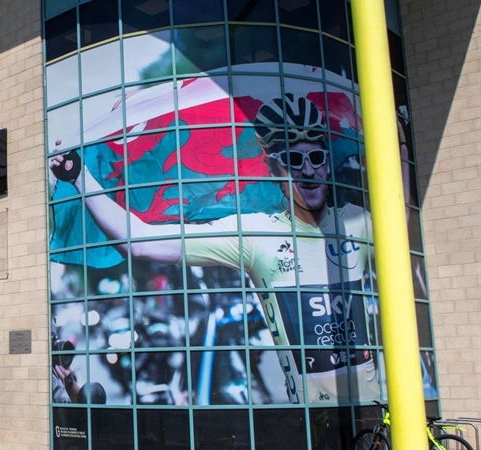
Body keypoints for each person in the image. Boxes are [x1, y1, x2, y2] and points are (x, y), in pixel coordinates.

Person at [50, 93, 404, 404]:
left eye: (317, 158)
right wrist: (80, 176)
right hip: (310, 414)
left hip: (370, 409)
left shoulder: (356, 223)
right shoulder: (256, 232)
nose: (308, 171)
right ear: (274, 170)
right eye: (294, 162)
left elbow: (402, 216)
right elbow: (139, 242)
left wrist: (400, 139)